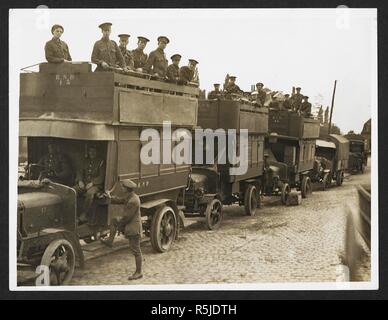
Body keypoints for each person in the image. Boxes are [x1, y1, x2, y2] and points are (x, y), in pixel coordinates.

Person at [100, 179, 143, 280]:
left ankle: (138, 272)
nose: (122, 188)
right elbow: (120, 200)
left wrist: (119, 225)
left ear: (127, 189)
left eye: (123, 187)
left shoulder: (133, 201)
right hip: (132, 226)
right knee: (114, 220)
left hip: (133, 228)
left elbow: (126, 218)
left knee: (136, 250)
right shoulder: (131, 196)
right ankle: (110, 241)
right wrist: (110, 198)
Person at [74, 144, 105, 222]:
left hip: (96, 185)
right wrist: (80, 181)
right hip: (84, 183)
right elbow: (80, 172)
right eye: (90, 151)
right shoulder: (85, 161)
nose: (92, 153)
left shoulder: (101, 162)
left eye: (94, 151)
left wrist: (92, 183)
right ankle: (73, 212)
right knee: (73, 190)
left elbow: (101, 177)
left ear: (97, 152)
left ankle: (84, 214)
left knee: (90, 193)